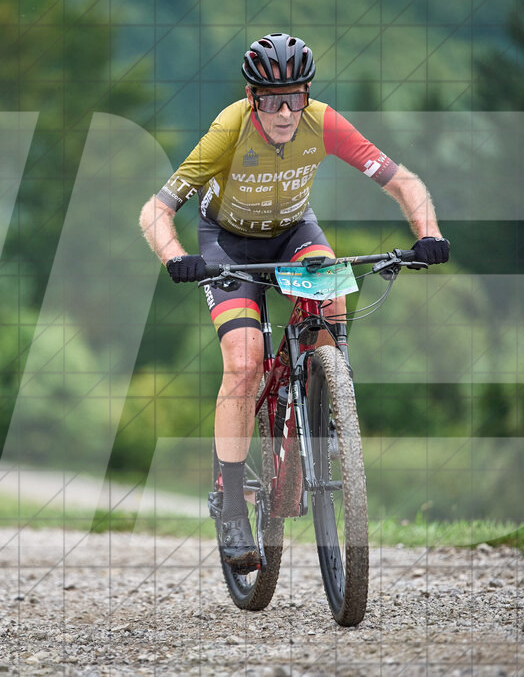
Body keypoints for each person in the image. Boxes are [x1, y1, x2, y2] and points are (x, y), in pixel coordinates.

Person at [139, 33, 449, 567]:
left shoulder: (322, 122)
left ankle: (323, 410)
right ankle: (232, 501)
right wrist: (174, 257)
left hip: (294, 235)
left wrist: (429, 233)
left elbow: (404, 182)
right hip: (228, 245)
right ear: (251, 96)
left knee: (333, 303)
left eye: (295, 97)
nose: (284, 111)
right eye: (271, 99)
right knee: (243, 364)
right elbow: (155, 210)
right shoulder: (229, 128)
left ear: (307, 93)